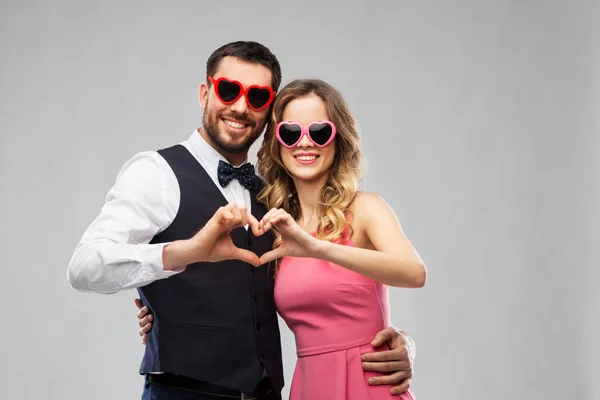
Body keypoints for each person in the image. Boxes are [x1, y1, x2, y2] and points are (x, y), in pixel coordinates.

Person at [67, 41, 416, 400]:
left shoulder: (274, 203)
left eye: (257, 97)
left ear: (269, 114)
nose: (239, 106)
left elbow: (325, 295)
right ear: (205, 93)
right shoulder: (156, 173)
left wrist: (396, 340)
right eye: (228, 90)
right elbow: (83, 267)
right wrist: (182, 255)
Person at [138, 78, 425, 399]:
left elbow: (414, 271)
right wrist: (162, 313)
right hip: (308, 387)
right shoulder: (273, 227)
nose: (305, 143)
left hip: (368, 386)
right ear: (277, 142)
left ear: (338, 138)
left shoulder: (365, 209)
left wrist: (405, 341)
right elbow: (233, 292)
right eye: (290, 133)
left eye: (319, 131)